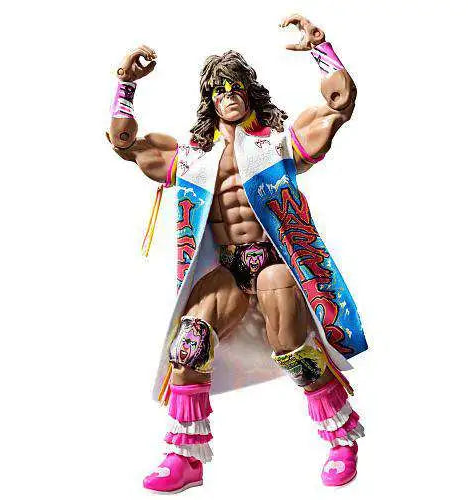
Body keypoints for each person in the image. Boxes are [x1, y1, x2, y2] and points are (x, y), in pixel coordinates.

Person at [107, 13, 367, 493]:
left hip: (273, 263)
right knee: (189, 344)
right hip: (225, 268)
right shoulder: (193, 156)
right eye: (219, 89)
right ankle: (185, 457)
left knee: (292, 347)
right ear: (210, 99)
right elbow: (125, 145)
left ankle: (340, 439)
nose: (228, 94)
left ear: (249, 92)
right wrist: (125, 85)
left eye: (236, 86)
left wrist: (321, 48)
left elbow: (338, 107)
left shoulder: (277, 143)